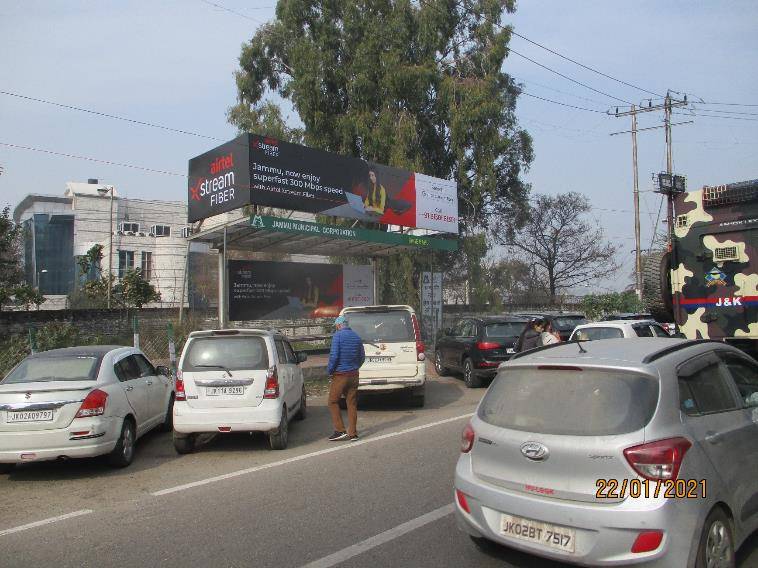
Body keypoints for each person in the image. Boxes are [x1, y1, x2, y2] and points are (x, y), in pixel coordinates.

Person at [327, 315, 365, 441]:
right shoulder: (357, 337)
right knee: (351, 403)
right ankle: (353, 433)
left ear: (338, 325)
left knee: (332, 401)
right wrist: (354, 367)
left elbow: (334, 356)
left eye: (336, 326)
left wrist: (330, 371)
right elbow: (362, 357)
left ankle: (340, 430)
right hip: (354, 375)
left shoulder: (337, 336)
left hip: (341, 375)